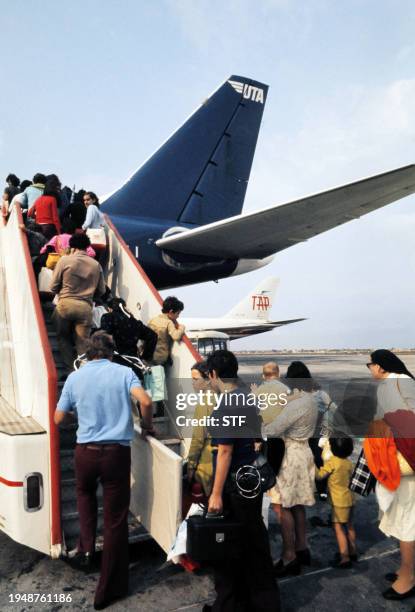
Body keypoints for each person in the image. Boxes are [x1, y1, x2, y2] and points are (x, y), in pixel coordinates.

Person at [54, 331, 153, 610]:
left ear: (89, 352)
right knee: (115, 519)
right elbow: (145, 402)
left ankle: (85, 550)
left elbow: (59, 418)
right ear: (111, 352)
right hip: (115, 454)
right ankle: (109, 588)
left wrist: (80, 416)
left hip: (85, 453)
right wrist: (146, 426)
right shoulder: (123, 372)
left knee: (85, 498)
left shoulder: (75, 377)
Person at [205, 350, 280, 612]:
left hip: (234, 486)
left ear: (214, 374)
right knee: (254, 543)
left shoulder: (228, 404)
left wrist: (215, 494)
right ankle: (257, 601)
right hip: (250, 482)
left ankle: (230, 605)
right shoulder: (248, 395)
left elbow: (225, 451)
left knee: (228, 545)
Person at [366, 349, 415, 601]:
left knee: (407, 520)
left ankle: (408, 578)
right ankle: (405, 569)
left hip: (405, 461)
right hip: (402, 459)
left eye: (370, 364)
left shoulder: (392, 385)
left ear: (381, 366)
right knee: (402, 515)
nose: (370, 369)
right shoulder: (398, 382)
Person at [263, 361, 318, 576]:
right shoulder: (311, 399)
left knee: (282, 506)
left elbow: (274, 428)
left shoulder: (297, 403)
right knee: (298, 505)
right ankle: (302, 548)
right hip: (303, 453)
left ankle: (289, 556)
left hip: (290, 456)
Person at [50, 233, 105, 370]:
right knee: (83, 342)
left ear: (72, 246)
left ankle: (70, 369)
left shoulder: (64, 261)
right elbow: (102, 291)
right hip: (85, 308)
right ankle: (84, 369)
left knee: (63, 338)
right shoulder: (95, 264)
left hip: (65, 305)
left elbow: (53, 287)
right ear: (87, 247)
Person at [315, 437, 356, 568]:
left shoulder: (332, 462)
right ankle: (353, 552)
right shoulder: (349, 463)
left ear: (332, 448)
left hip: (339, 501)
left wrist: (312, 466)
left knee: (338, 527)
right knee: (349, 526)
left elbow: (319, 476)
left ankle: (344, 558)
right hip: (350, 498)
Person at [99, 297, 157, 376]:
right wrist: (145, 358)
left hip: (115, 364)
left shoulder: (108, 317)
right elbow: (153, 336)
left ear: (110, 309)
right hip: (133, 366)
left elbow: (103, 337)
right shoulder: (135, 322)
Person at [187, 361, 215, 497]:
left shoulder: (205, 402)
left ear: (208, 379)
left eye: (196, 379)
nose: (193, 383)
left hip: (208, 460)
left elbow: (198, 438)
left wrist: (191, 465)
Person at [148, 296, 185, 365]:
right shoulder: (168, 322)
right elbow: (176, 336)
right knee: (158, 375)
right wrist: (181, 328)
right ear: (171, 312)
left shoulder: (152, 320)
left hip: (148, 356)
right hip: (159, 358)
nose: (178, 316)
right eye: (178, 313)